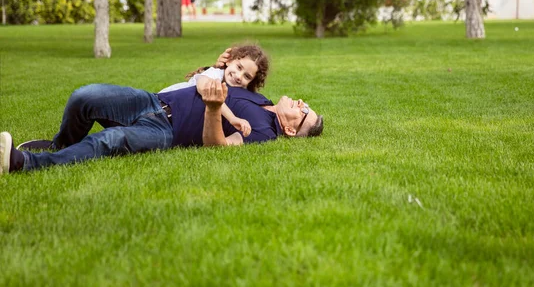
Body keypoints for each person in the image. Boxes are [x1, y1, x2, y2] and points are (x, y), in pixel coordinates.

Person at [0, 50, 324, 174]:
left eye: (304, 111)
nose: (301, 103)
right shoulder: (257, 96)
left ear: (292, 129)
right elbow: (222, 75)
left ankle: (24, 163)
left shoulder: (265, 133)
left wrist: (213, 111)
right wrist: (222, 61)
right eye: (305, 103)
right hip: (152, 102)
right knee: (85, 96)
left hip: (165, 132)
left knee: (110, 141)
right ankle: (61, 144)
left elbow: (218, 148)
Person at [160, 45, 269, 137]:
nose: (239, 76)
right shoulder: (215, 74)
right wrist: (232, 118)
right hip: (164, 103)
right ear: (229, 61)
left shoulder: (236, 91)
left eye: (247, 76)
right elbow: (208, 92)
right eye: (239, 67)